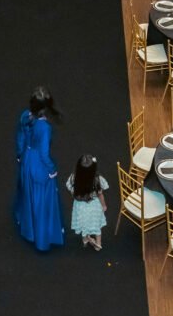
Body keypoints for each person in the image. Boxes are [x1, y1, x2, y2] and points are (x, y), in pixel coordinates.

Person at [14, 86, 64, 251]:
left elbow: (20, 136)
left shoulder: (24, 116)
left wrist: (20, 155)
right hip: (39, 166)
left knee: (28, 195)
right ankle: (42, 238)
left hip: (27, 160)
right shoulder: (45, 128)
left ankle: (28, 228)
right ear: (44, 108)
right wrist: (52, 170)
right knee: (42, 201)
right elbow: (44, 154)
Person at [65, 154, 109, 251]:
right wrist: (104, 205)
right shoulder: (97, 180)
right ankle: (98, 244)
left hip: (80, 207)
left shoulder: (73, 178)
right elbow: (100, 195)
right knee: (97, 225)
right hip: (94, 207)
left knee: (83, 223)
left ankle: (85, 240)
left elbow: (70, 189)